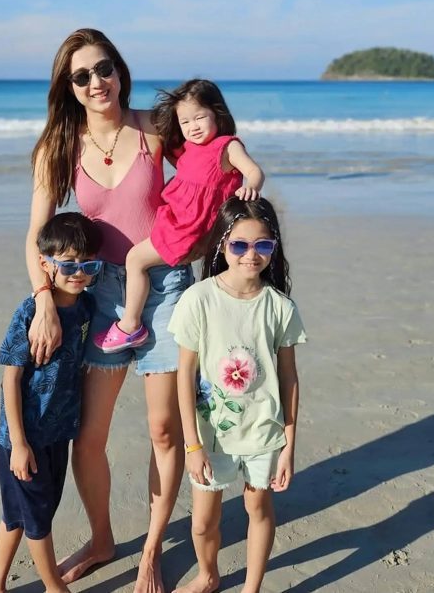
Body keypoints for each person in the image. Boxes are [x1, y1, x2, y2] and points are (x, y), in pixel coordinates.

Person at [26, 28, 194, 593]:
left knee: (164, 429)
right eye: (82, 76)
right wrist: (44, 299)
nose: (96, 82)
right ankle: (102, 541)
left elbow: (209, 172)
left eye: (104, 69)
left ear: (120, 71)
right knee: (89, 435)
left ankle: (150, 551)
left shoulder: (155, 127)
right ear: (68, 87)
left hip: (166, 288)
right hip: (99, 296)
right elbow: (35, 236)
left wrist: (206, 236)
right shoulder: (58, 147)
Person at [169, 197, 306, 593]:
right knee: (202, 522)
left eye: (262, 244)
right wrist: (192, 445)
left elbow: (289, 378)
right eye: (239, 244)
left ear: (273, 247)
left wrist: (288, 445)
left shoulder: (280, 307)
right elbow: (185, 375)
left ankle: (251, 587)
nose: (251, 254)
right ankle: (207, 574)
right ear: (222, 245)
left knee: (257, 507)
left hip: (263, 431)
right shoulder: (199, 299)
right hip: (211, 435)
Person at [93, 79, 264, 353]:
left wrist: (250, 187)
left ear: (217, 114)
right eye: (185, 122)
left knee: (135, 259)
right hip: (176, 221)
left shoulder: (227, 146)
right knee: (140, 259)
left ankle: (130, 325)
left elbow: (254, 171)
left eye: (200, 117)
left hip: (188, 230)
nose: (193, 127)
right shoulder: (190, 149)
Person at [0, 212, 101, 593]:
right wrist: (19, 444)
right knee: (37, 518)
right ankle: (54, 587)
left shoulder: (86, 308)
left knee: (20, 514)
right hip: (25, 438)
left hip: (58, 433)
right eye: (68, 264)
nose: (78, 273)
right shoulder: (29, 313)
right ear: (45, 263)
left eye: (88, 264)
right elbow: (10, 379)